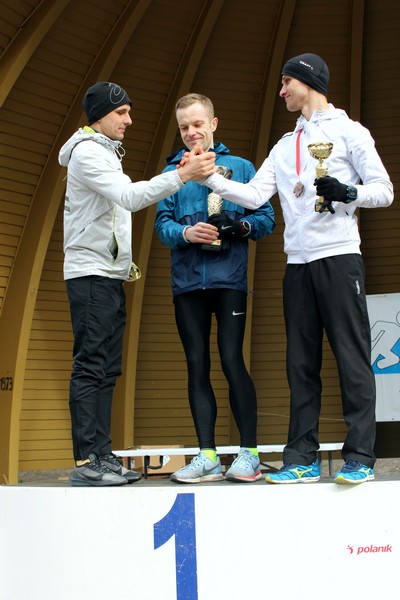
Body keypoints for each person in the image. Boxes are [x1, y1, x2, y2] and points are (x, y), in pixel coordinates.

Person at [197, 54, 394, 485]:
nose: (282, 90)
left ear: (310, 82)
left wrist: (349, 192)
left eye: (287, 82)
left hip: (340, 257)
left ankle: (360, 457)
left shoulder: (350, 132)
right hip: (298, 263)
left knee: (352, 358)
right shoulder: (285, 146)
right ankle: (301, 458)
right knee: (300, 364)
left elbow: (385, 191)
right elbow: (254, 195)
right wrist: (209, 178)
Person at [59, 82, 216, 486]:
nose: (129, 120)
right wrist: (181, 175)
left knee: (107, 368)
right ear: (100, 115)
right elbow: (129, 198)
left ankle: (102, 455)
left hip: (108, 275)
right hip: (90, 274)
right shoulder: (87, 153)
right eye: (122, 112)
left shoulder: (105, 151)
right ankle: (86, 460)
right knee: (90, 365)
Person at [155, 93, 275, 484]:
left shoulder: (240, 167)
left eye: (197, 124)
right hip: (187, 283)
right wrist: (186, 233)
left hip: (229, 281)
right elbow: (162, 225)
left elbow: (266, 217)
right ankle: (206, 455)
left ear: (213, 123)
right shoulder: (173, 172)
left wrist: (239, 226)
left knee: (231, 359)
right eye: (184, 127)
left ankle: (249, 453)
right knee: (196, 365)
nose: (191, 132)